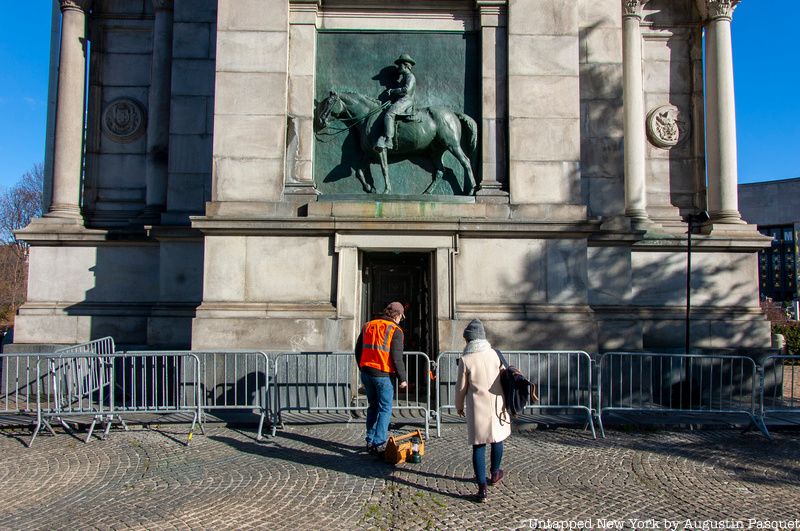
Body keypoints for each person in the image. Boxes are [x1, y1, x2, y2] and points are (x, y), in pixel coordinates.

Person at [455, 319, 511, 502]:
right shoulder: (495, 354)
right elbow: (505, 376)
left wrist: (459, 406)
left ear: (469, 340)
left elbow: (461, 388)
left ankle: (482, 488)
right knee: (497, 440)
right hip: (497, 404)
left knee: (478, 445)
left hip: (477, 408)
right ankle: (495, 473)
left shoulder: (466, 359)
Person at [355, 301, 408, 455]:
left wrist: (362, 367)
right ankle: (378, 442)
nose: (400, 320)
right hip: (382, 375)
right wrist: (403, 378)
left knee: (373, 406)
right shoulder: (395, 330)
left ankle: (370, 440)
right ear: (397, 315)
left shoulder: (368, 325)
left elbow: (358, 350)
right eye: (401, 317)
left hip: (366, 373)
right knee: (385, 408)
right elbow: (397, 358)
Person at [375, 53, 417, 151]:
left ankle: (389, 141)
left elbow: (406, 90)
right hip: (401, 99)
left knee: (390, 114)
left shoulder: (410, 76)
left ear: (406, 65)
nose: (398, 67)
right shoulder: (405, 77)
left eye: (400, 65)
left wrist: (393, 91)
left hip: (406, 100)